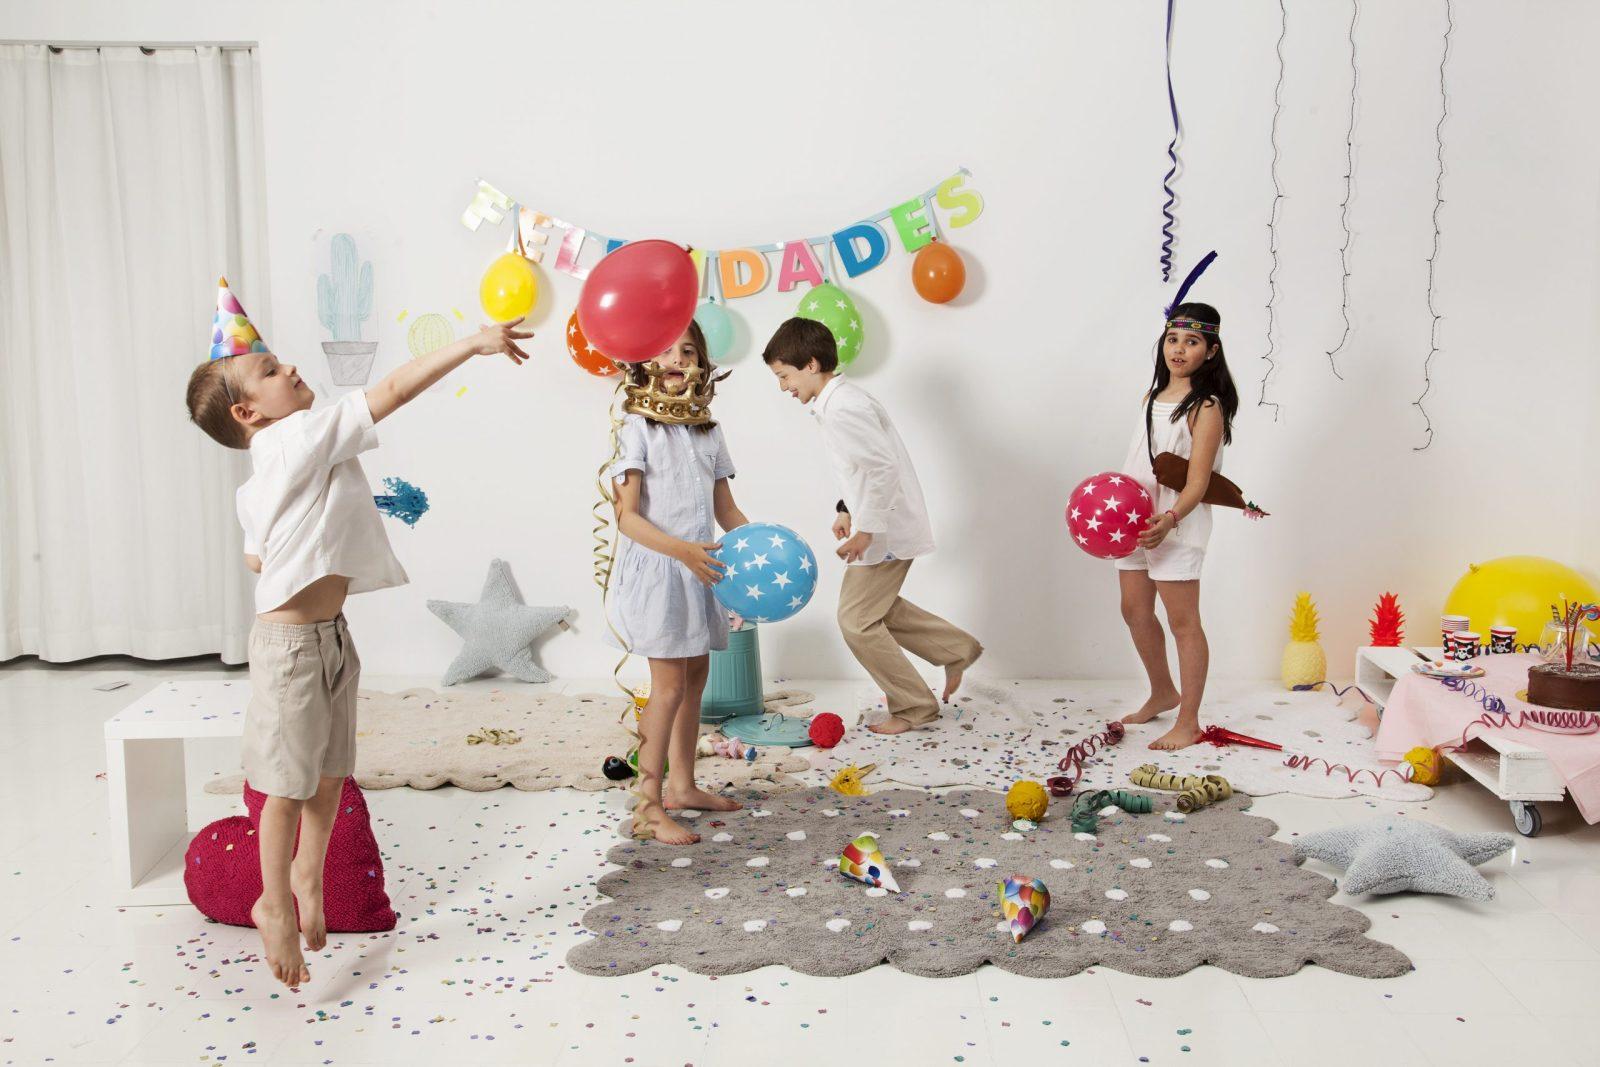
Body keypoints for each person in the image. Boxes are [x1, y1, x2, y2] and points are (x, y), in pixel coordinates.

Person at [185, 277, 528, 986]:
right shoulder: (296, 438)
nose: (291, 369)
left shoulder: (269, 469)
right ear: (249, 412)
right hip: (291, 650)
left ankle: (307, 876)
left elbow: (255, 551)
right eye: (272, 371)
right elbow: (394, 389)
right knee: (285, 784)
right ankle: (273, 901)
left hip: (329, 636)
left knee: (330, 770)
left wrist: (288, 545)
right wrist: (473, 342)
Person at [762, 317, 981, 734]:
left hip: (886, 529)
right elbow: (860, 469)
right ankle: (956, 649)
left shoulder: (844, 407)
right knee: (875, 608)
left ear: (811, 365)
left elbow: (882, 469)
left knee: (856, 621)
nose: (783, 386)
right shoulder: (838, 403)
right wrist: (846, 509)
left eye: (784, 375)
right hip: (878, 523)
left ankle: (915, 706)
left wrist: (866, 529)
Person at [605, 320, 750, 844]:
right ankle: (648, 805)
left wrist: (759, 547)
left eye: (688, 351)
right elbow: (627, 517)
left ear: (702, 365)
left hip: (700, 568)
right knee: (666, 688)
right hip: (661, 569)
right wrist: (682, 551)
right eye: (665, 349)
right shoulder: (636, 428)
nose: (677, 359)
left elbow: (725, 509)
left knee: (695, 679)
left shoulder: (709, 431)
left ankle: (683, 786)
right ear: (645, 361)